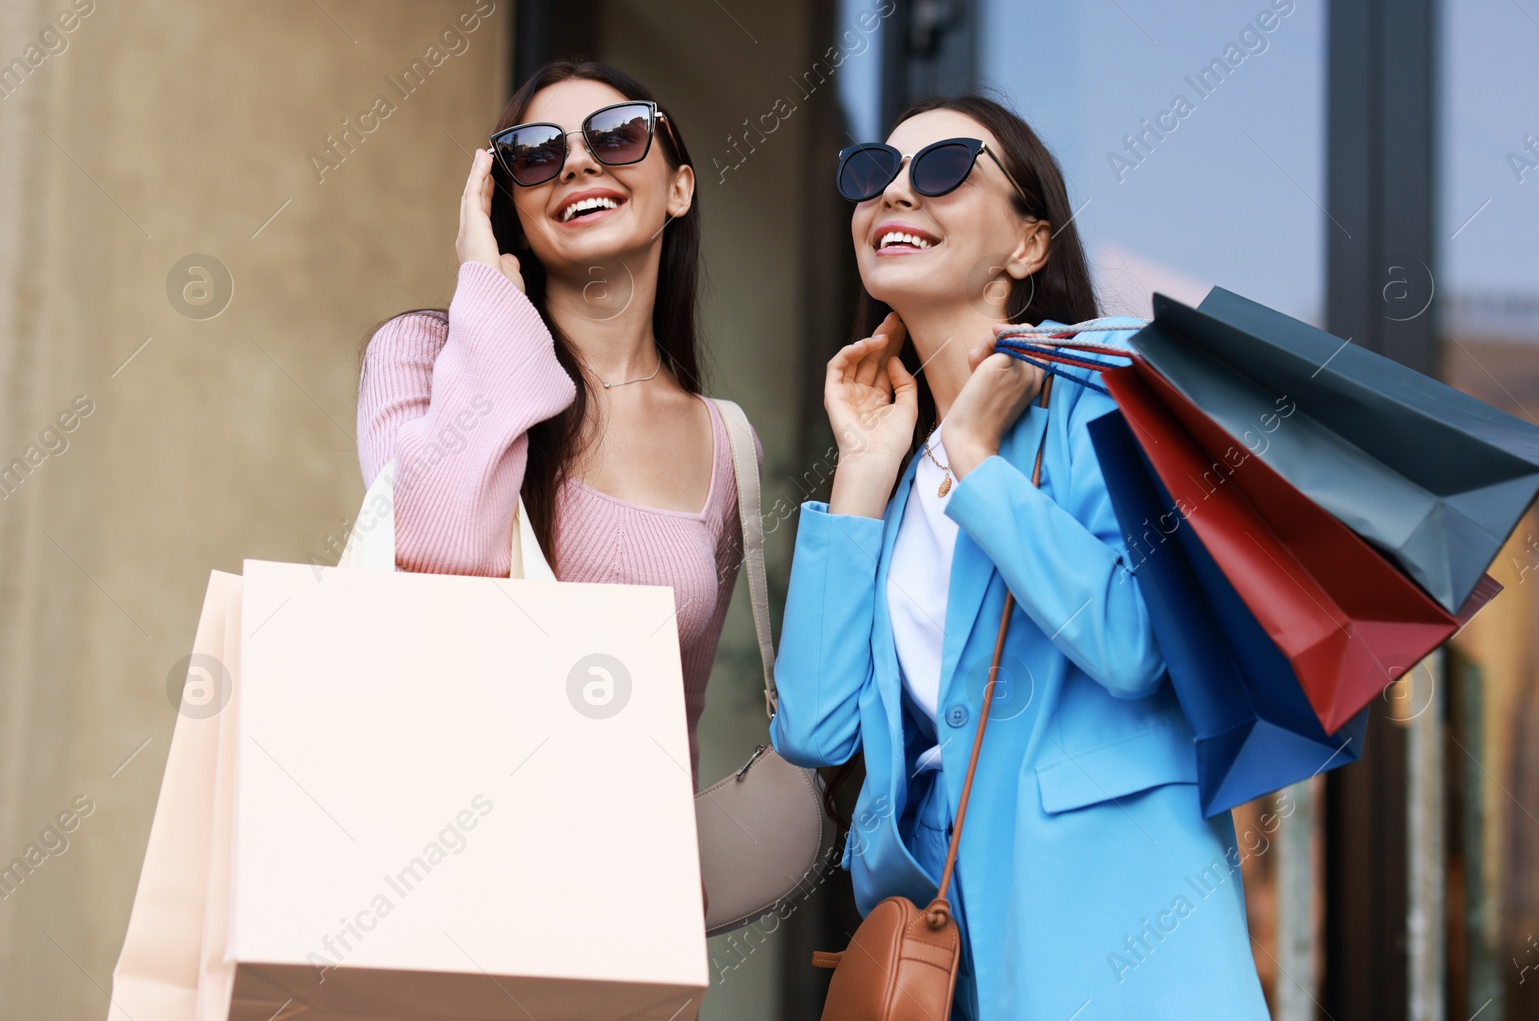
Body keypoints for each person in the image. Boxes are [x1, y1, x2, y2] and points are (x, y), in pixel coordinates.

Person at [770, 96, 1269, 1019]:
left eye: (947, 166)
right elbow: (812, 727)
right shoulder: (896, 463)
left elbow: (1130, 645)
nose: (896, 194)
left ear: (1029, 245)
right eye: (873, 172)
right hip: (946, 945)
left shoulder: (1109, 407)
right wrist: (861, 476)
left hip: (1118, 942)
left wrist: (980, 467)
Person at [356, 60, 758, 790]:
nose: (576, 161)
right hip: (442, 855)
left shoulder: (724, 443)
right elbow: (434, 559)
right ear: (504, 204)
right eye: (536, 153)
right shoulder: (421, 355)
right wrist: (492, 303)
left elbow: (678, 723)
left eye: (618, 135)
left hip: (621, 878)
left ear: (679, 187)